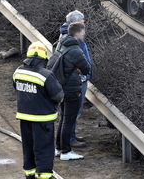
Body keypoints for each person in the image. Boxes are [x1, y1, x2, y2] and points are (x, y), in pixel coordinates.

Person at [14, 42, 63, 179]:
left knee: (28, 148)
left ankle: (29, 174)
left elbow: (16, 88)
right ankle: (44, 176)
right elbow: (58, 96)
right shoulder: (46, 75)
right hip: (43, 119)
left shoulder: (18, 72)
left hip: (24, 117)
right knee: (44, 149)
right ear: (43, 58)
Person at [53, 21, 91, 161]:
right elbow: (87, 68)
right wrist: (78, 69)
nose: (84, 33)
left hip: (62, 88)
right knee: (68, 120)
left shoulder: (61, 45)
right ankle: (66, 151)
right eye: (82, 31)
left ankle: (58, 148)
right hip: (72, 89)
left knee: (63, 119)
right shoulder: (75, 50)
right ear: (76, 33)